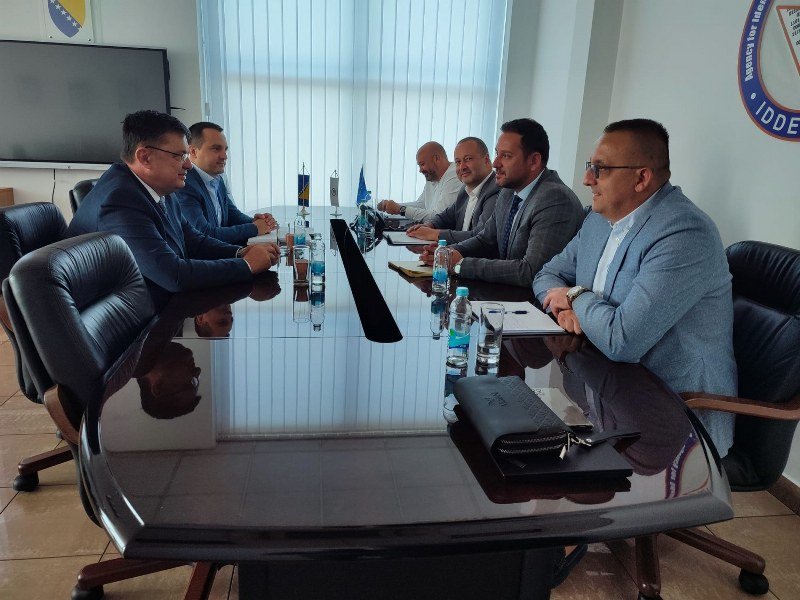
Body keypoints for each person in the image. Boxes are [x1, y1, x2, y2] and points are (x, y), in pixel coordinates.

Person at [532, 118, 736, 457]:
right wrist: (563, 307)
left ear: (641, 178)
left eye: (600, 169)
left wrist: (575, 296)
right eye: (589, 167)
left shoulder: (684, 234)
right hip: (605, 389)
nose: (587, 179)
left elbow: (622, 340)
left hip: (675, 422)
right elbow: (547, 274)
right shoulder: (598, 219)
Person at [67, 110, 279, 307]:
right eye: (179, 156)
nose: (188, 165)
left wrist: (239, 252)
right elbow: (173, 275)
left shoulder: (160, 188)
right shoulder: (120, 201)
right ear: (145, 157)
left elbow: (194, 240)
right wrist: (247, 265)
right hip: (125, 323)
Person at [421, 118, 584, 288]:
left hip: (532, 300)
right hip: (505, 292)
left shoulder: (555, 199)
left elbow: (531, 272)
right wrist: (445, 253)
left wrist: (460, 264)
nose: (495, 163)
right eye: (497, 153)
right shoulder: (508, 191)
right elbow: (485, 239)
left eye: (506, 156)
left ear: (534, 161)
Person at [174, 121, 277, 245]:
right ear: (193, 152)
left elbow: (232, 215)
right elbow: (204, 234)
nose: (224, 156)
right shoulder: (185, 185)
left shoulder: (217, 178)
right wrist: (255, 228)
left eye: (225, 150)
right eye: (216, 149)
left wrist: (257, 221)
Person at [406, 137, 500, 243]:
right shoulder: (465, 190)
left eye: (468, 159)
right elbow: (446, 216)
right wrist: (429, 225)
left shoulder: (495, 190)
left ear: (486, 160)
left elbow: (480, 237)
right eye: (458, 162)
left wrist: (434, 234)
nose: (462, 167)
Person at [377, 141, 461, 222]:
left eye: (422, 164)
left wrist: (400, 209)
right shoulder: (432, 177)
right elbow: (422, 205)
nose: (420, 170)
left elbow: (438, 217)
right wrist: (394, 206)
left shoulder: (455, 175)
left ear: (436, 158)